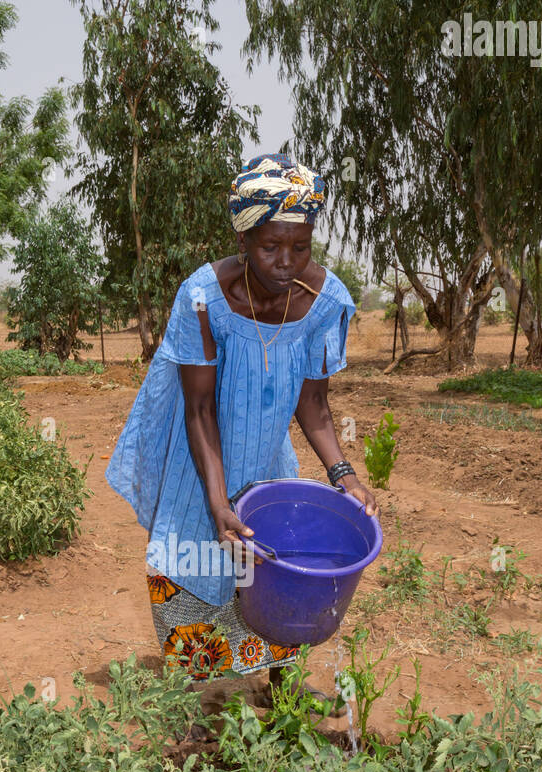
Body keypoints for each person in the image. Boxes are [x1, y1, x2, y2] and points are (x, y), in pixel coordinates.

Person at [106, 152, 378, 686]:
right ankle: (196, 710)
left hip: (265, 455)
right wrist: (216, 499)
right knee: (188, 562)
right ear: (244, 242)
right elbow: (200, 407)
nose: (285, 262)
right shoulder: (205, 298)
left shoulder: (326, 303)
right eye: (270, 246)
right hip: (201, 454)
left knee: (274, 566)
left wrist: (342, 474)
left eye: (299, 248)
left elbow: (314, 404)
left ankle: (278, 699)